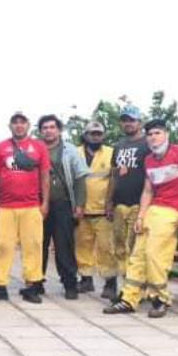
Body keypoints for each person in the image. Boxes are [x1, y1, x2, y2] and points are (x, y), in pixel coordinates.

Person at [105, 119, 178, 318]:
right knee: (137, 255)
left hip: (172, 211)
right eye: (150, 134)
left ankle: (160, 298)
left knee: (155, 255)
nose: (153, 137)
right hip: (152, 210)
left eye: (157, 133)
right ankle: (129, 298)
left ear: (166, 134)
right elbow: (148, 191)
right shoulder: (149, 159)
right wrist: (141, 215)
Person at [0, 111, 50, 304]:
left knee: (33, 246)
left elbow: (45, 177)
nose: (19, 126)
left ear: (28, 125)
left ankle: (32, 285)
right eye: (15, 123)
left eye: (22, 122)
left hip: (31, 206)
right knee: (3, 246)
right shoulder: (0, 148)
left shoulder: (39, 147)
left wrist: (45, 202)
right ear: (10, 126)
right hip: (6, 207)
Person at [37, 115, 89, 300]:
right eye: (45, 127)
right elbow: (18, 169)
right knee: (38, 245)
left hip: (63, 204)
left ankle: (69, 284)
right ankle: (36, 282)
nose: (48, 130)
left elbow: (80, 177)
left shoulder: (70, 150)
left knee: (64, 245)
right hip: (39, 205)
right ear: (40, 131)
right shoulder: (33, 149)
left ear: (59, 130)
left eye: (52, 127)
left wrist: (80, 204)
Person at [76, 121, 118, 300]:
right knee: (81, 246)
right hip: (81, 209)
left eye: (99, 134)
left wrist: (111, 203)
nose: (95, 137)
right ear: (85, 135)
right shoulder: (75, 153)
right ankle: (86, 279)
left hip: (103, 210)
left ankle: (110, 283)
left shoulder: (111, 153)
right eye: (92, 133)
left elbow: (115, 179)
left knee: (106, 248)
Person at [107, 105, 149, 281]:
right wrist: (108, 202)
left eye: (132, 120)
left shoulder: (147, 144)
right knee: (118, 246)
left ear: (140, 122)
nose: (128, 123)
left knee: (134, 246)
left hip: (138, 204)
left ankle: (135, 284)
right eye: (125, 120)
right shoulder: (119, 146)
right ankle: (125, 282)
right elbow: (113, 175)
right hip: (119, 204)